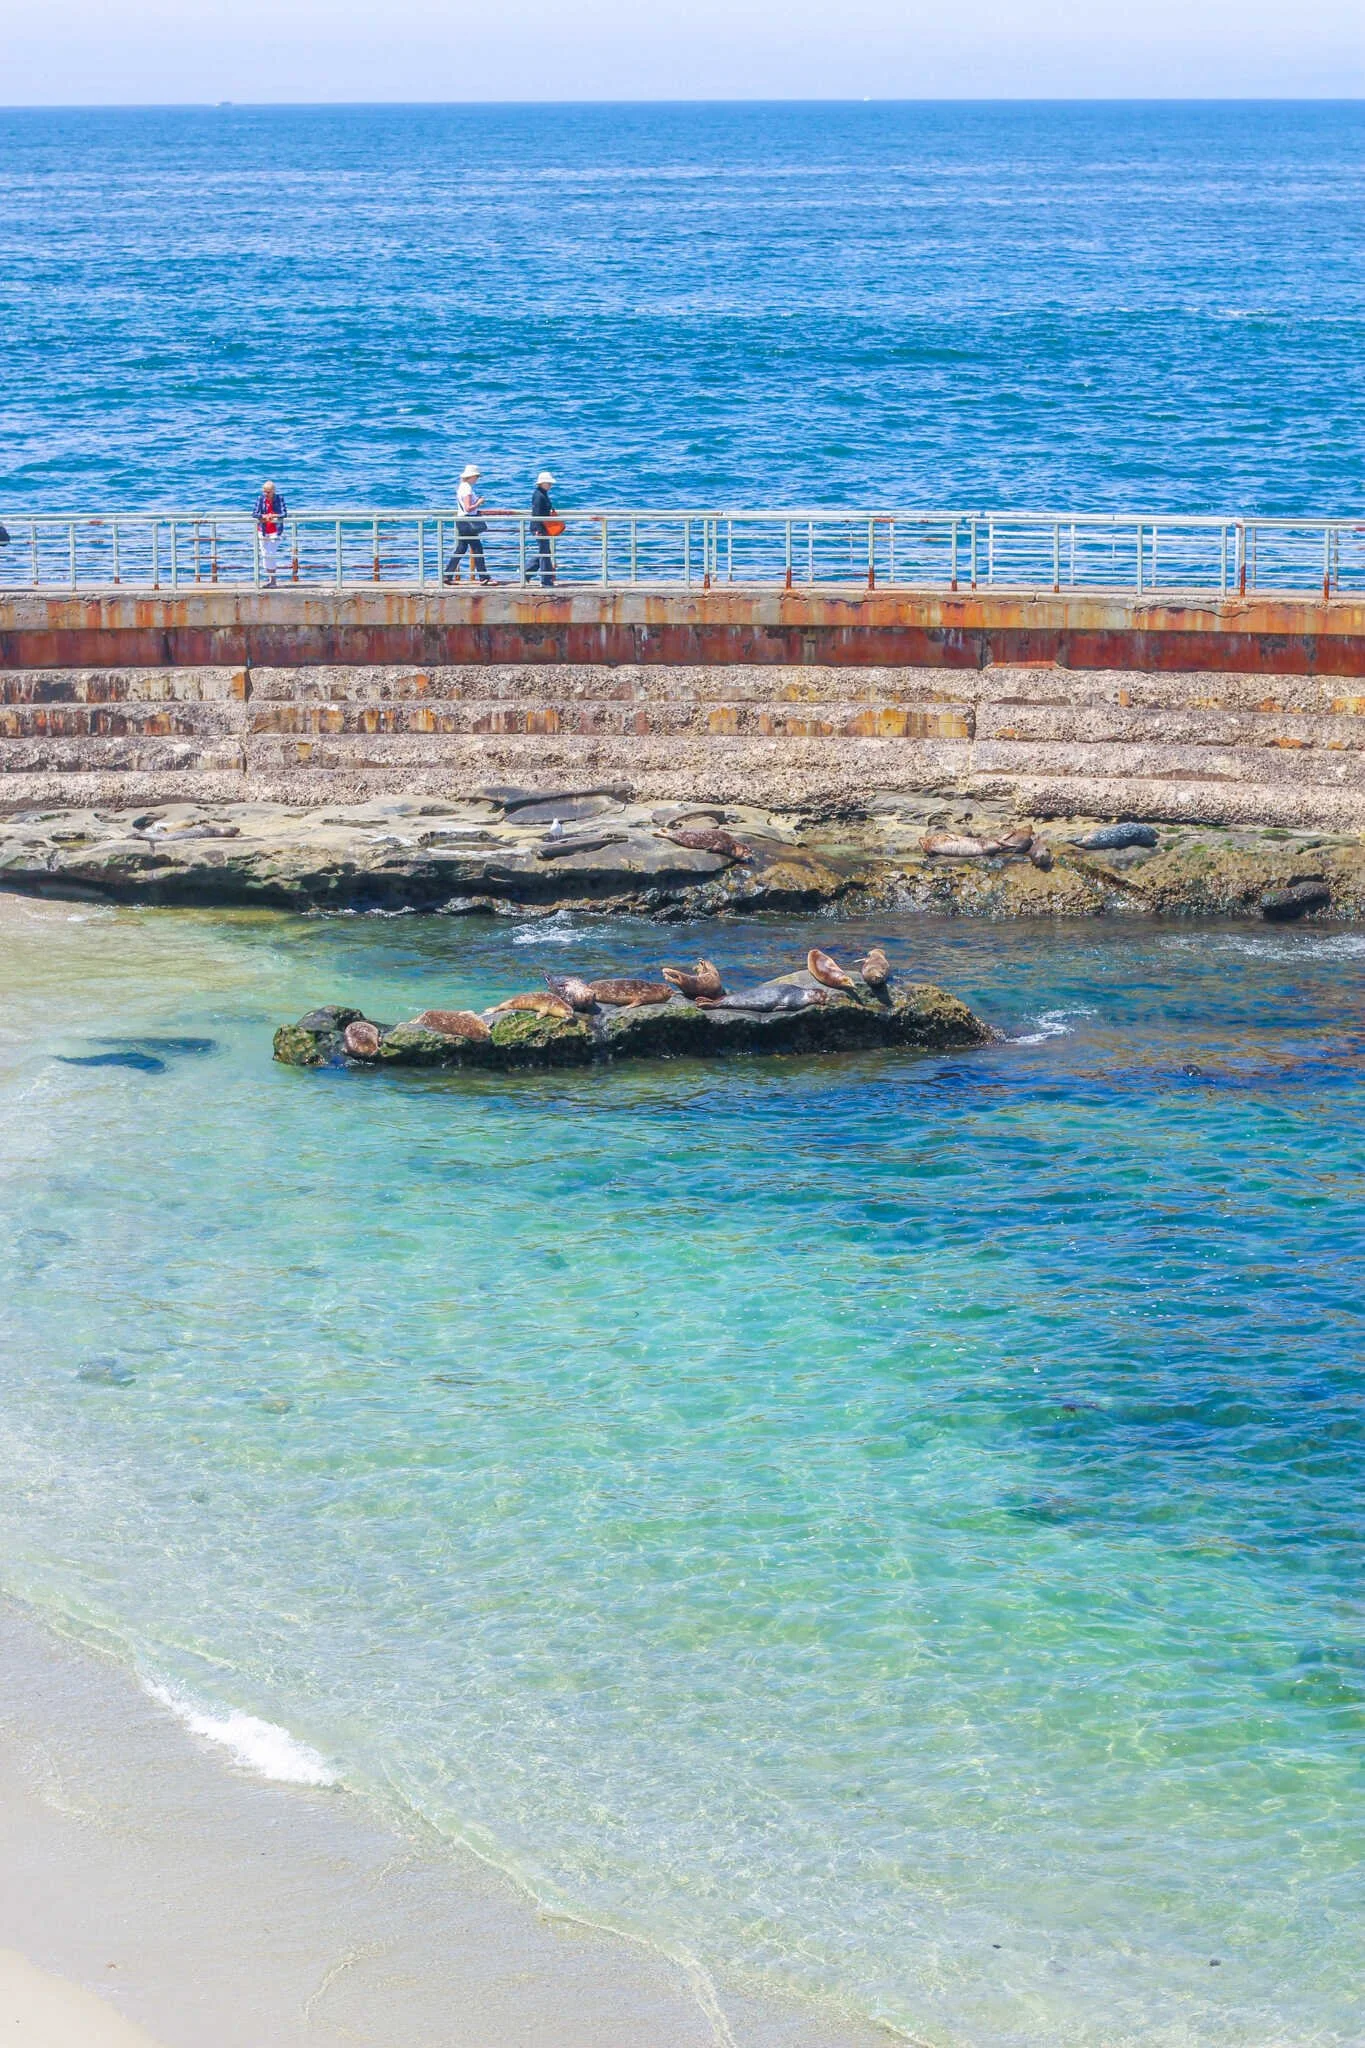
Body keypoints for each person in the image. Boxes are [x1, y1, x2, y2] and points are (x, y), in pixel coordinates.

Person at [444, 464, 491, 584]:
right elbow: (468, 508)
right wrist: (479, 502)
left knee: (461, 548)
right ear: (470, 477)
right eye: (476, 477)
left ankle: (447, 575)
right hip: (467, 522)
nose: (477, 479)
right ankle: (484, 577)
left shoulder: (462, 487)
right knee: (477, 548)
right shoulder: (467, 489)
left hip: (462, 521)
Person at [253, 480, 287, 587]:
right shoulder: (260, 499)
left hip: (275, 530)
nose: (265, 494)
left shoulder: (279, 498)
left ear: (273, 491)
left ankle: (273, 580)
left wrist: (273, 515)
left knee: (271, 554)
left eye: (268, 492)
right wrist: (263, 516)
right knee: (264, 554)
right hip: (263, 530)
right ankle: (270, 579)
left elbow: (284, 513)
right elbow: (254, 513)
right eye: (264, 491)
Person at [528, 470, 558, 587]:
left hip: (541, 526)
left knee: (544, 551)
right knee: (545, 552)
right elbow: (536, 514)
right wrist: (538, 529)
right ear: (542, 483)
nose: (550, 485)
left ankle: (528, 571)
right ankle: (545, 580)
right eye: (548, 483)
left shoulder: (541, 493)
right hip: (539, 527)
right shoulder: (539, 495)